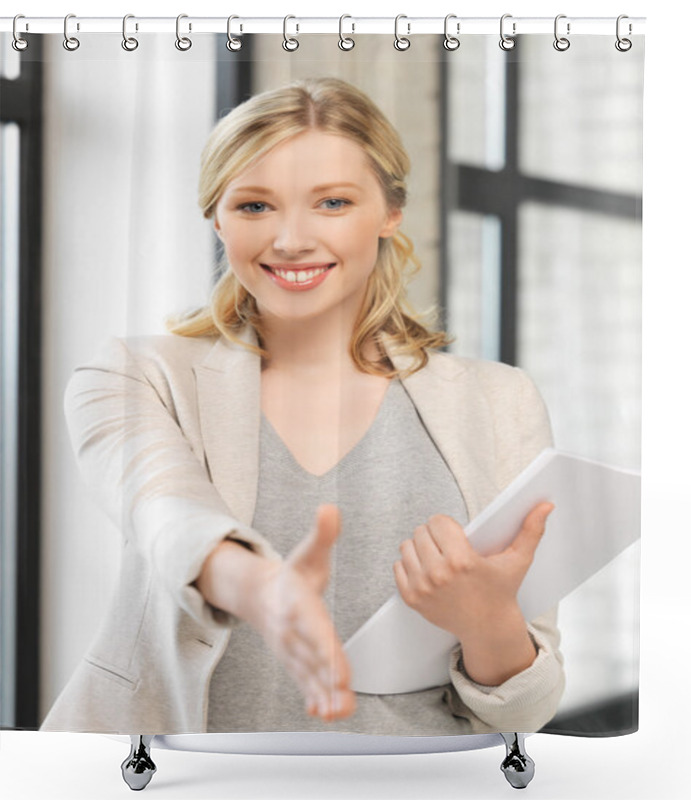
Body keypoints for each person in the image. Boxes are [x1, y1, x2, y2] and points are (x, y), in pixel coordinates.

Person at [41, 78, 565, 736]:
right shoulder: (134, 374)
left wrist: (488, 622)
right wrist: (258, 587)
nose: (290, 239)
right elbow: (164, 511)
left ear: (390, 212)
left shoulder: (501, 400)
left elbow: (531, 707)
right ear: (217, 217)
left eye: (333, 202)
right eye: (255, 206)